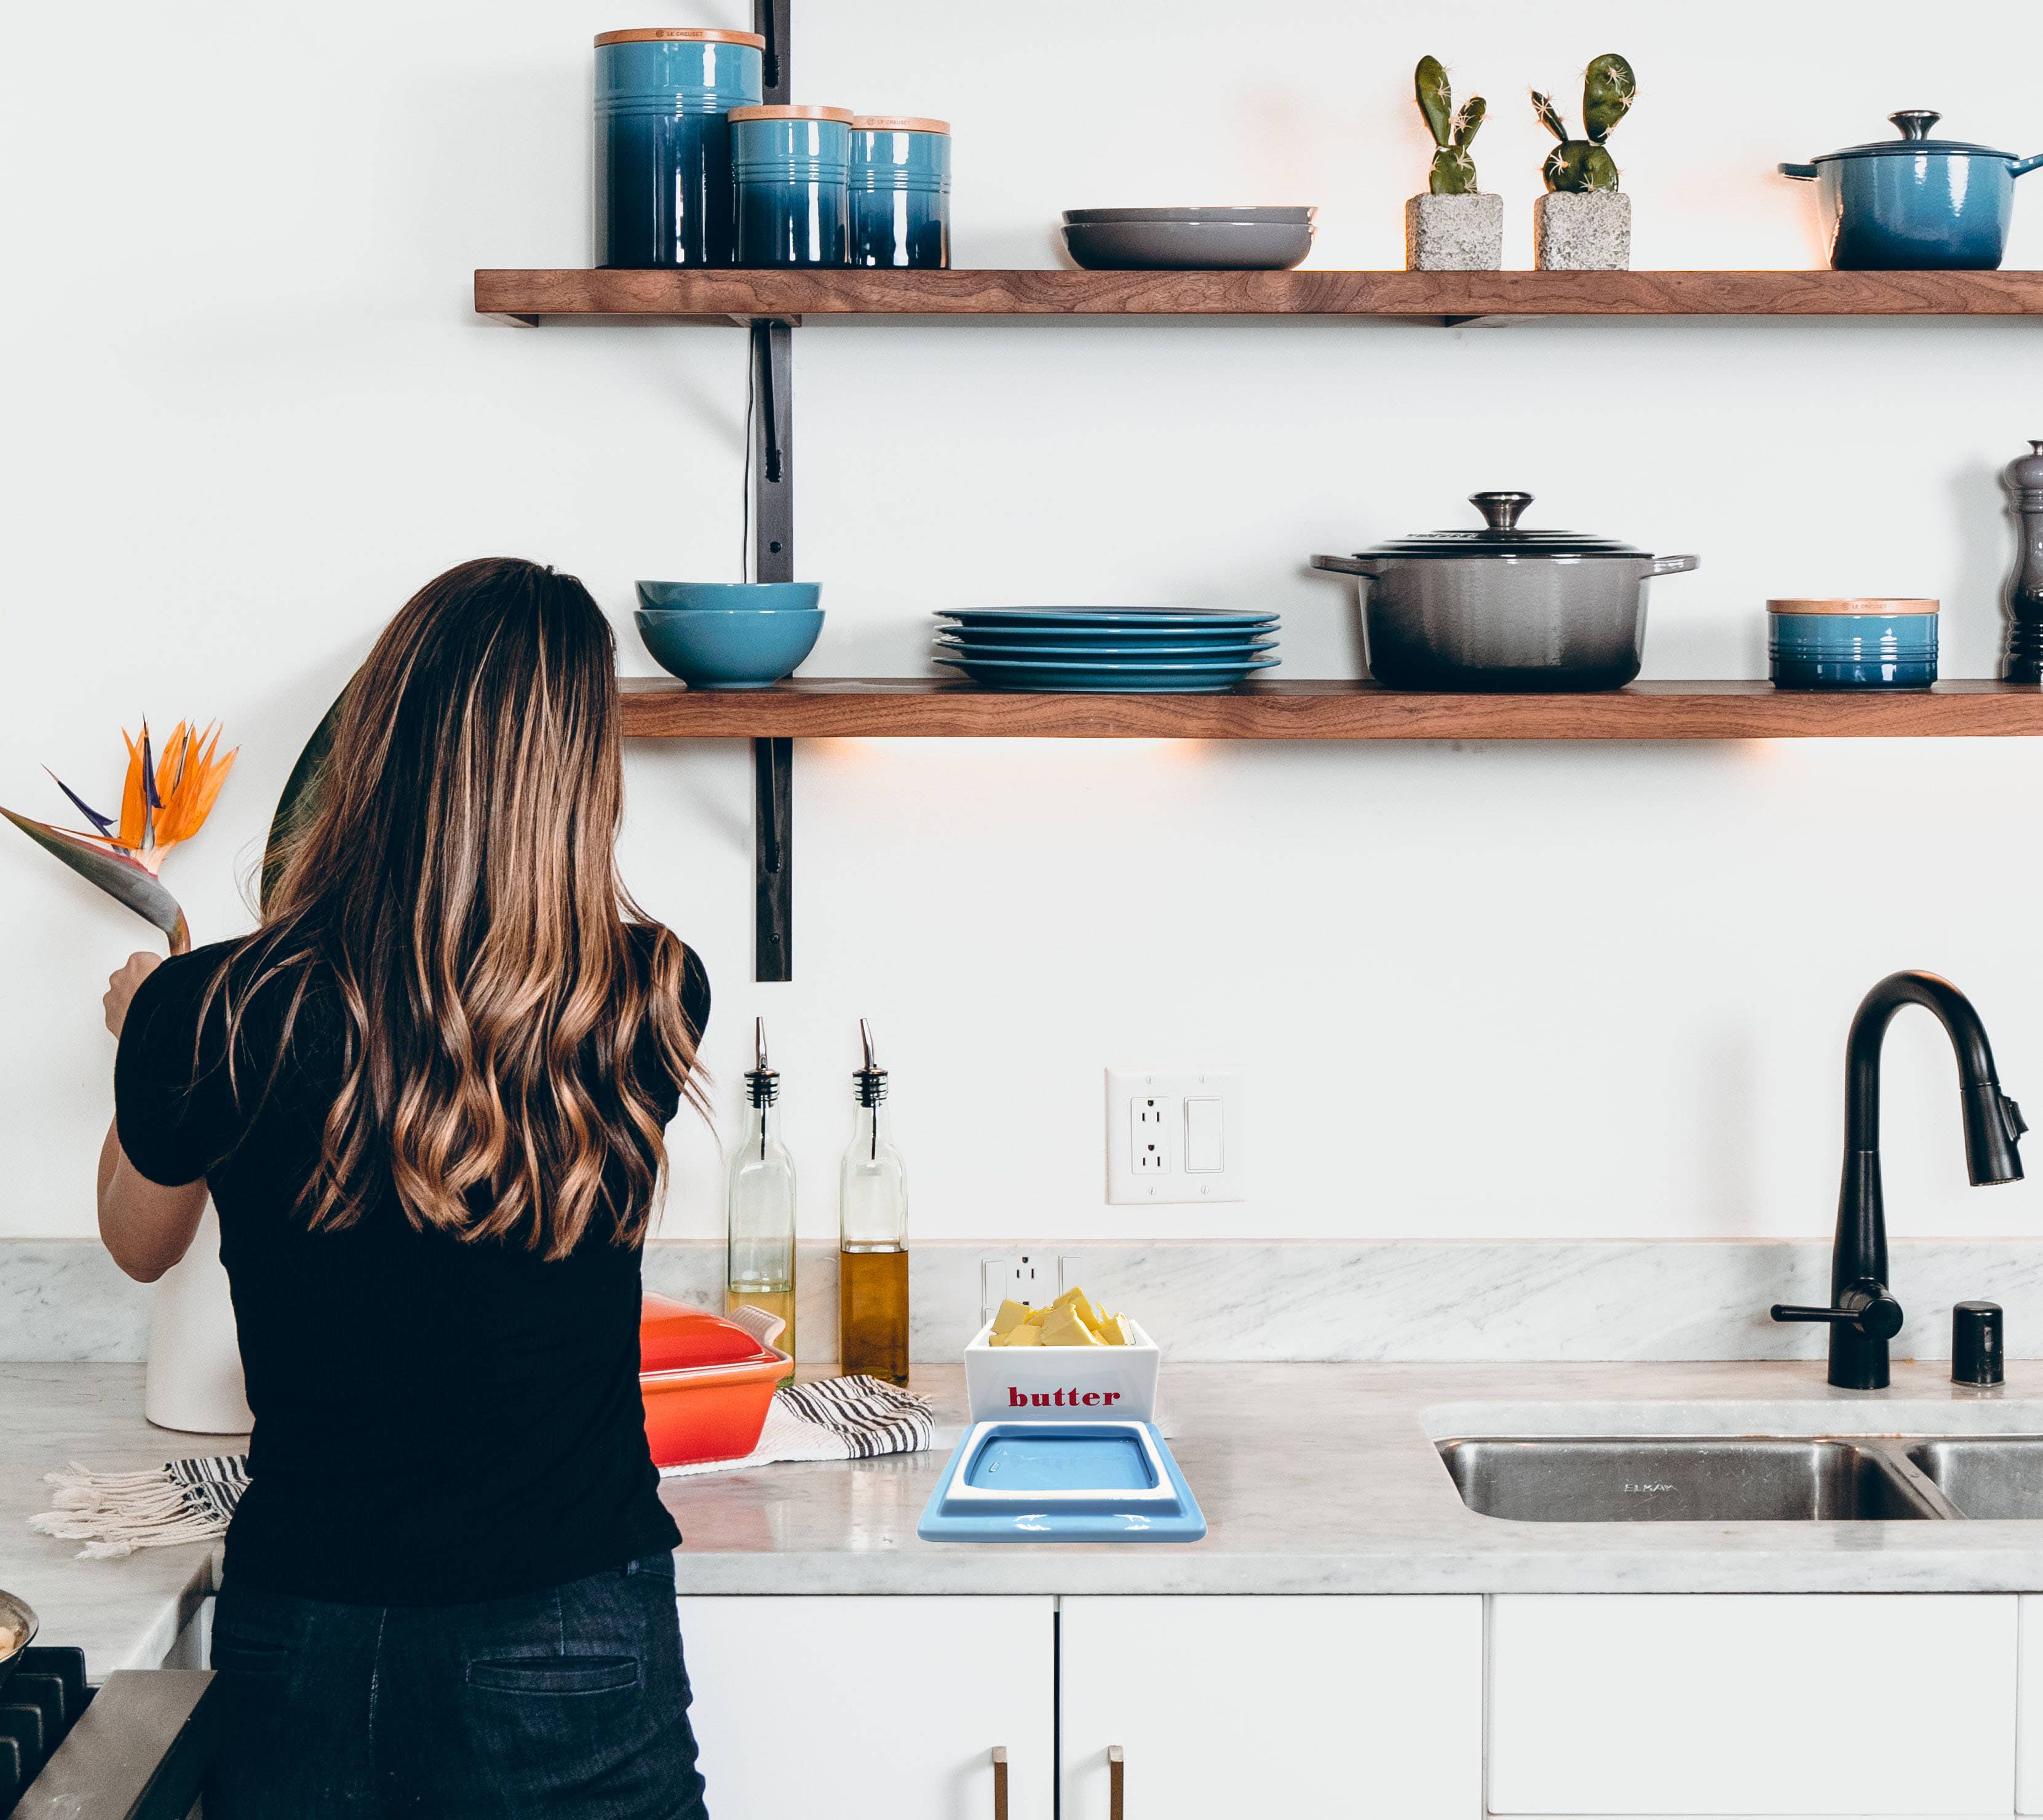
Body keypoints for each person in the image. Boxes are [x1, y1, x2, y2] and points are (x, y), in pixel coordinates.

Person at [97, 558, 713, 1819]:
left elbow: (137, 1240)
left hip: (309, 1627)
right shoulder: (649, 994)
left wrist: (146, 1042)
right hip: (572, 1622)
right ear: (582, 777)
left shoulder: (211, 1008)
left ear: (372, 737)